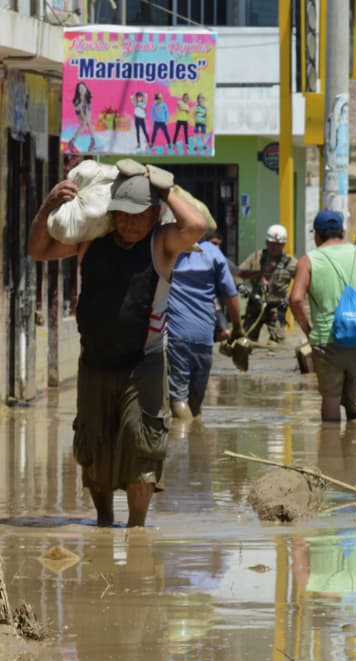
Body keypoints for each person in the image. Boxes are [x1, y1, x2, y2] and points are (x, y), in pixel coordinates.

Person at [28, 160, 208, 526]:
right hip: (93, 361)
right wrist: (48, 205)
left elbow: (196, 226)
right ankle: (104, 522)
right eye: (121, 214)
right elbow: (39, 250)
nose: (128, 223)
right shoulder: (91, 241)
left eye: (137, 215)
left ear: (153, 214)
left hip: (143, 364)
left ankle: (137, 529)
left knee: (142, 445)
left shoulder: (161, 243)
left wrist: (165, 190)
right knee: (94, 446)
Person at [289, 210, 356, 422]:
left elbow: (295, 300)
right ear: (343, 232)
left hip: (326, 340)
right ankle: (354, 449)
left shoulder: (308, 260)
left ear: (316, 235)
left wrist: (309, 330)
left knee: (331, 398)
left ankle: (330, 451)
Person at [164, 235, 243, 421]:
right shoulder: (214, 254)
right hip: (204, 338)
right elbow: (231, 295)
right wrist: (238, 327)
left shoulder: (167, 248)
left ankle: (185, 440)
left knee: (178, 400)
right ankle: (194, 440)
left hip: (177, 336)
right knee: (195, 403)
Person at [236, 223, 297, 342]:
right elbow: (238, 273)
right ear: (266, 242)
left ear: (284, 244)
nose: (274, 247)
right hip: (255, 305)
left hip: (276, 308)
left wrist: (289, 299)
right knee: (244, 341)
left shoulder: (291, 263)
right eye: (271, 243)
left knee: (279, 342)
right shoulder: (256, 257)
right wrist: (241, 285)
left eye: (278, 244)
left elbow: (303, 283)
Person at [70, 81, 95, 152]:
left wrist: (87, 118)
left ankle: (92, 142)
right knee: (83, 125)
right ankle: (72, 142)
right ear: (78, 90)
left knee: (89, 123)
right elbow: (80, 111)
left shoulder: (87, 97)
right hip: (79, 110)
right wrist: (84, 119)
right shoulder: (77, 100)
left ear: (86, 88)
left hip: (86, 108)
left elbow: (87, 108)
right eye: (80, 88)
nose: (82, 89)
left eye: (83, 87)